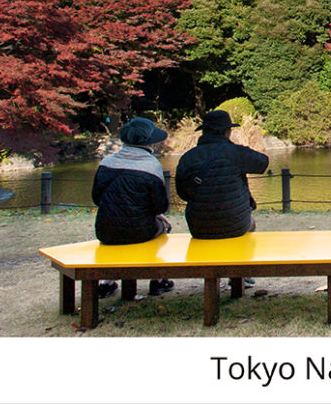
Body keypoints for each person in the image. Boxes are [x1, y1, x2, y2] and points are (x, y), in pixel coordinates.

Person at [92, 117, 174, 298]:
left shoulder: (106, 163)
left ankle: (108, 282)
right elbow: (160, 205)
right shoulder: (152, 166)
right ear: (148, 142)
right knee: (164, 227)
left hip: (105, 230)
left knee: (118, 233)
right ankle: (159, 280)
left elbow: (97, 199)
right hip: (140, 231)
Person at [175, 110, 269, 240]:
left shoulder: (188, 157)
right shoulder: (235, 153)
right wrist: (236, 149)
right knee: (251, 224)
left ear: (204, 131)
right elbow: (263, 163)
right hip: (236, 225)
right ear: (227, 131)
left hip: (199, 227)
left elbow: (183, 194)